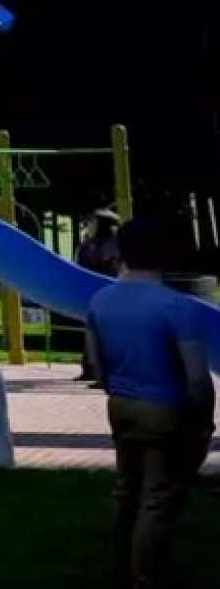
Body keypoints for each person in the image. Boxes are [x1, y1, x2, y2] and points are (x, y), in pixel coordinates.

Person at [85, 219, 214, 589]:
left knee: (127, 491)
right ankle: (145, 576)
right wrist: (203, 420)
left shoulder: (99, 301)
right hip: (165, 409)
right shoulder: (178, 308)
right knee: (157, 497)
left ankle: (120, 567)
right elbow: (196, 378)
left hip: (121, 405)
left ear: (120, 252)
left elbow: (96, 364)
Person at [75, 210, 123, 384]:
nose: (89, 226)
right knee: (91, 331)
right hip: (92, 293)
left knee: (105, 334)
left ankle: (103, 373)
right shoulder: (89, 244)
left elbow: (108, 266)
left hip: (107, 292)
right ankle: (90, 368)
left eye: (93, 222)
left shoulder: (112, 244)